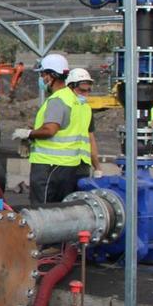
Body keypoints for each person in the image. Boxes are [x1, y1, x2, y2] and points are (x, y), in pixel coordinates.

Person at [11, 54, 92, 204]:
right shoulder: (73, 99)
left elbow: (50, 130)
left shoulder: (57, 100)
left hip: (49, 167)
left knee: (43, 212)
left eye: (42, 74)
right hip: (69, 166)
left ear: (50, 76)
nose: (41, 79)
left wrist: (29, 134)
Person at [67, 68, 102, 178]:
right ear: (70, 87)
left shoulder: (86, 109)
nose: (85, 94)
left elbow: (90, 138)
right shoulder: (62, 106)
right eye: (81, 91)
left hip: (82, 166)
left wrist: (97, 167)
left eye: (88, 91)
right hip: (63, 165)